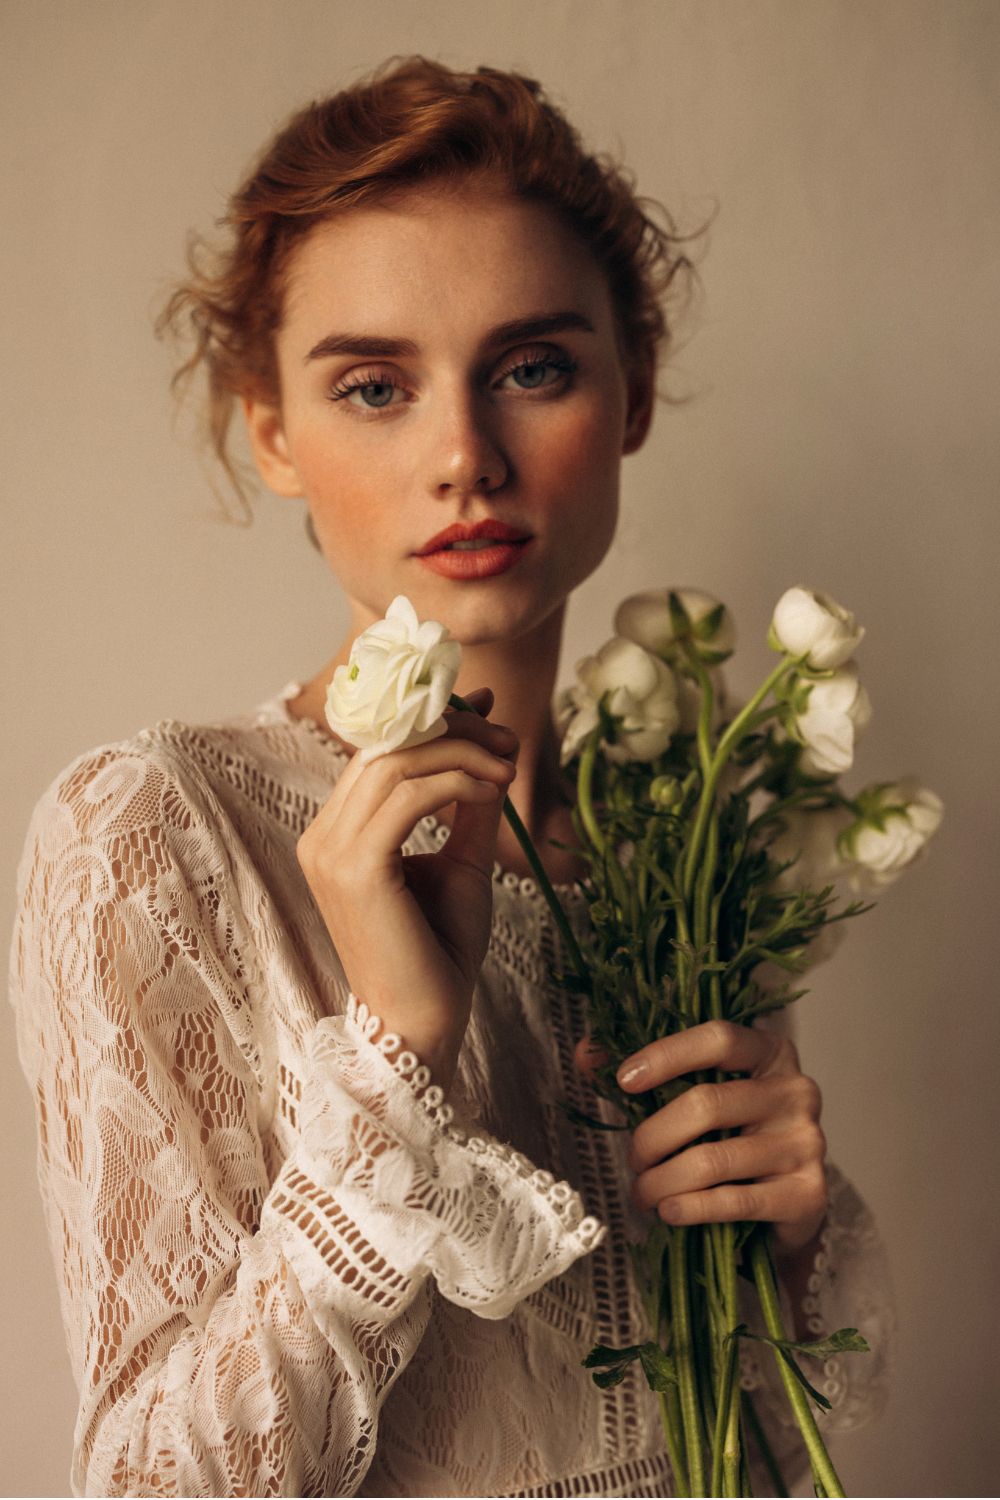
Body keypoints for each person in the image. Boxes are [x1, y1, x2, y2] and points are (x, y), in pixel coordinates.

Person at [8, 56, 893, 1498]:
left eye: (531, 368)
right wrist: (396, 1062)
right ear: (274, 431)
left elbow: (766, 1463)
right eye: (373, 385)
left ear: (633, 392)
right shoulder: (154, 829)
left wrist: (790, 1240)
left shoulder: (683, 850)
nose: (463, 459)